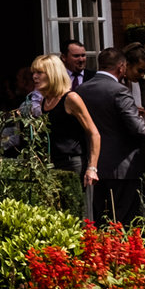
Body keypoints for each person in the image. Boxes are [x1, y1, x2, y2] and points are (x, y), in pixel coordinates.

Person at [76, 46, 145, 221]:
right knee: (123, 221)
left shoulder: (81, 90)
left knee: (100, 219)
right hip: (122, 167)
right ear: (121, 67)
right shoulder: (119, 91)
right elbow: (138, 129)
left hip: (93, 165)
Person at [34, 55, 101, 204]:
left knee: (75, 208)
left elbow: (94, 133)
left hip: (72, 164)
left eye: (39, 73)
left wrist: (92, 168)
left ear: (53, 74)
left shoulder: (71, 98)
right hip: (53, 163)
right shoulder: (46, 101)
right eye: (34, 73)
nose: (35, 77)